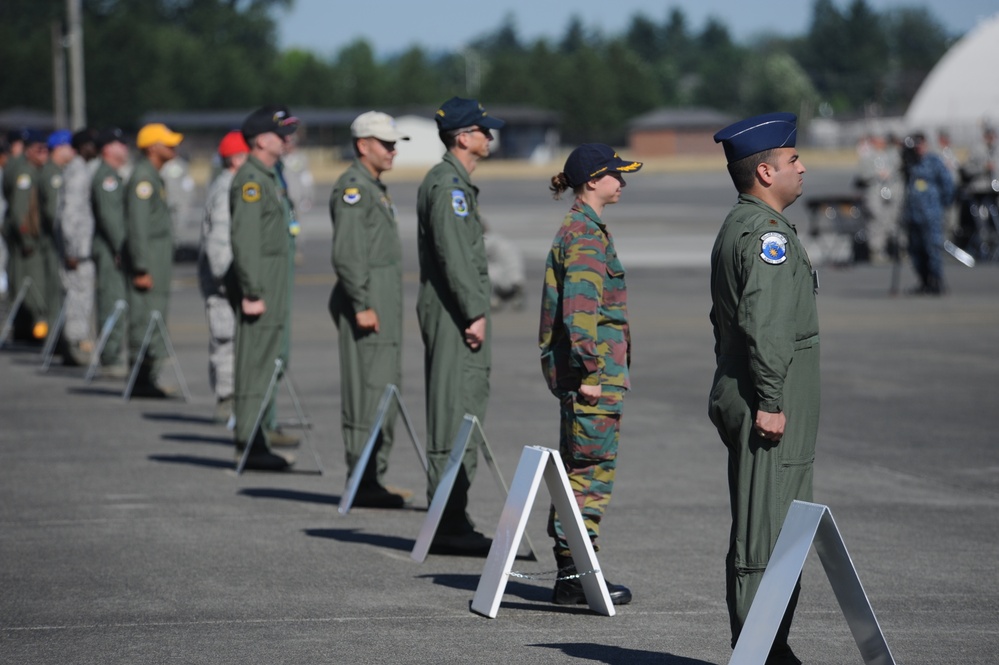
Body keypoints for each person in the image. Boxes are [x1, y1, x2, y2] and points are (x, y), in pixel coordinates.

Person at [709, 112, 819, 665]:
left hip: (751, 390)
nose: (802, 167)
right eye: (794, 159)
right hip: (765, 400)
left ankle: (767, 645)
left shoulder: (740, 224)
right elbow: (765, 325)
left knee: (773, 522)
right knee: (766, 530)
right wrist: (771, 401)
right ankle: (762, 650)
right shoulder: (767, 236)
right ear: (766, 171)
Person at [539, 144, 642, 606]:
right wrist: (591, 372)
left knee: (582, 470)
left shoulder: (585, 228)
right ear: (593, 180)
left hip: (593, 373)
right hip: (593, 378)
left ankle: (573, 572)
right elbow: (580, 312)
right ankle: (576, 573)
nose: (622, 181)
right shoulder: (584, 234)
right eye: (616, 174)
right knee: (589, 475)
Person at [416, 97, 503, 555]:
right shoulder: (448, 186)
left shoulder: (455, 183)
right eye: (483, 130)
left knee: (465, 409)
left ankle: (452, 514)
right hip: (455, 315)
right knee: (453, 413)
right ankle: (447, 521)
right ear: (463, 137)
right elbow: (453, 256)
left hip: (458, 312)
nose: (489, 137)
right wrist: (473, 311)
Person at [329, 111, 412, 507]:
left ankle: (372, 476)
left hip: (383, 303)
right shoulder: (354, 189)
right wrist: (362, 303)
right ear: (363, 145)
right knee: (367, 392)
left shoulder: (373, 187)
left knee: (384, 389)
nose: (393, 151)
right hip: (369, 306)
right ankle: (361, 479)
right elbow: (347, 254)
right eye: (386, 144)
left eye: (395, 144)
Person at [228, 105, 300, 472]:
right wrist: (252, 290)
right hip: (262, 288)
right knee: (255, 364)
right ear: (260, 140)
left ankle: (260, 435)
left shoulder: (272, 176)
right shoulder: (252, 181)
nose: (289, 139)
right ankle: (251, 441)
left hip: (274, 284)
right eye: (281, 133)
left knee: (272, 360)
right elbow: (246, 240)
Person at [124, 123, 183, 396]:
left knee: (154, 316)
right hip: (149, 262)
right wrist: (141, 266)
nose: (173, 146)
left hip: (158, 259)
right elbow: (138, 226)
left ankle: (148, 377)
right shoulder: (144, 179)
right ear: (151, 147)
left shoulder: (153, 176)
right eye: (166, 142)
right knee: (146, 317)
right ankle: (141, 378)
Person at [198, 131, 249, 423]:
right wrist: (226, 279)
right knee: (225, 338)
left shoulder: (228, 183)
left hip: (229, 278)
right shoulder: (229, 186)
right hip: (224, 281)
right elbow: (218, 240)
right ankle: (226, 399)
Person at [57, 128, 100, 366]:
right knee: (78, 296)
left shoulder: (81, 169)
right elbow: (70, 215)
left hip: (81, 249)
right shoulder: (78, 173)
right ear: (83, 146)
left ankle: (75, 343)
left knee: (81, 296)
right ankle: (74, 346)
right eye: (93, 145)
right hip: (77, 252)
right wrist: (72, 250)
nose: (96, 149)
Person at [2, 129, 50, 341]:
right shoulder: (26, 172)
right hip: (26, 240)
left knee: (22, 283)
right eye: (39, 149)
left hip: (21, 238)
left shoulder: (19, 166)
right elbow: (20, 211)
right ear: (29, 150)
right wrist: (25, 238)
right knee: (29, 286)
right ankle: (28, 331)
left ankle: (24, 329)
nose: (44, 154)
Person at [90, 128, 130, 376]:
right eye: (119, 144)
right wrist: (120, 247)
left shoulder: (112, 175)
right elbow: (110, 217)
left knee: (117, 301)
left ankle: (112, 353)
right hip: (109, 249)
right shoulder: (107, 178)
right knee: (112, 300)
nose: (124, 148)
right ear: (107, 149)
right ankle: (110, 356)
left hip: (112, 246)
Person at [900, 132, 955, 295]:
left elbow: (948, 185)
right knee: (915, 250)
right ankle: (923, 281)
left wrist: (943, 205)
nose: (916, 148)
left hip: (931, 213)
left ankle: (936, 282)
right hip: (913, 214)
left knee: (933, 249)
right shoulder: (908, 163)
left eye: (919, 144)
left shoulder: (933, 161)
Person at [38, 130, 76, 340]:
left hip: (56, 241)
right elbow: (55, 213)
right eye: (70, 147)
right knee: (54, 290)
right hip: (53, 242)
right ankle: (55, 338)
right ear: (60, 148)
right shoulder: (53, 174)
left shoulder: (58, 171)